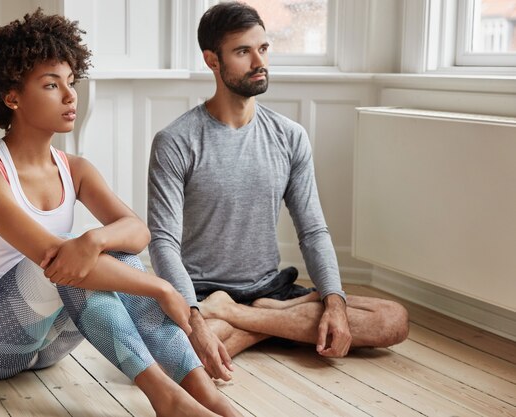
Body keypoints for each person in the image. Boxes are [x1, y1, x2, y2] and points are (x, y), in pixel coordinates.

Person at [0, 9, 242, 417]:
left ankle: (207, 395)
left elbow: (137, 232)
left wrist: (95, 238)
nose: (70, 96)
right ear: (12, 97)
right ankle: (165, 399)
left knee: (106, 251)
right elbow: (53, 257)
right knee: (67, 258)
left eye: (70, 82)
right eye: (51, 85)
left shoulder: (75, 169)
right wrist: (163, 289)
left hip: (45, 348)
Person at [147, 1, 409, 382]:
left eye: (263, 48)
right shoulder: (175, 141)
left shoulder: (289, 136)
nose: (259, 61)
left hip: (272, 290)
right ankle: (277, 324)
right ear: (212, 61)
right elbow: (163, 243)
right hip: (203, 292)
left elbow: (313, 231)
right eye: (243, 51)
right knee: (177, 353)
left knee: (392, 319)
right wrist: (194, 315)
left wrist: (333, 302)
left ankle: (244, 319)